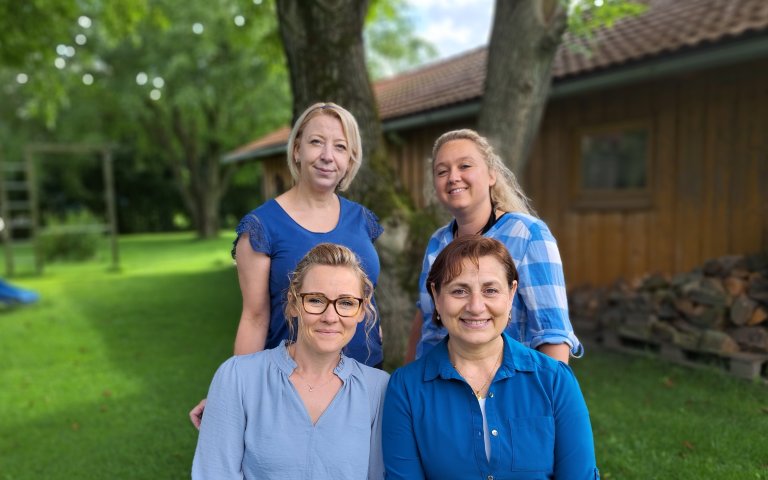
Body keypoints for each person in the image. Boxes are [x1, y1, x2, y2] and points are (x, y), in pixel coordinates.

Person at [190, 102, 384, 427]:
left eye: (340, 147)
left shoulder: (362, 220)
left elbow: (368, 300)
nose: (327, 156)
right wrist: (234, 393)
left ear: (351, 159)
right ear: (296, 150)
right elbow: (254, 317)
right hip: (292, 386)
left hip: (364, 378)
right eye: (316, 142)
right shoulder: (263, 227)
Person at [383, 236, 598, 479]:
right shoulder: (406, 388)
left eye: (490, 290)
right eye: (459, 291)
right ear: (436, 296)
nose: (476, 307)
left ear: (511, 294)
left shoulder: (555, 380)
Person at [193, 243, 389, 479]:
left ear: (361, 311)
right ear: (294, 303)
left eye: (346, 303)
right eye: (316, 300)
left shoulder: (378, 389)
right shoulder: (237, 377)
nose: (330, 317)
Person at [405, 128, 580, 364]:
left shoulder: (528, 234)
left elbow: (552, 332)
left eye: (465, 166)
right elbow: (426, 318)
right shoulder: (438, 242)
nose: (453, 177)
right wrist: (407, 377)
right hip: (435, 380)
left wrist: (552, 386)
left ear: (491, 175)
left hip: (505, 381)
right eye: (442, 171)